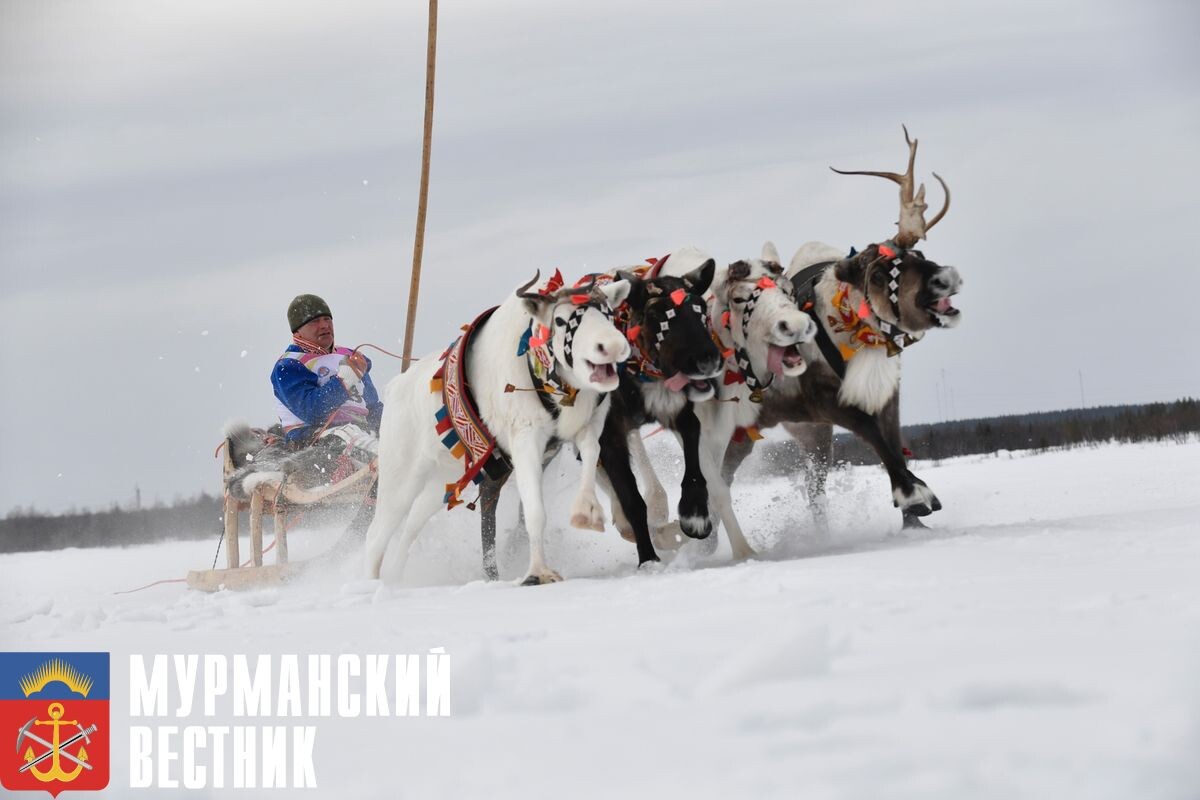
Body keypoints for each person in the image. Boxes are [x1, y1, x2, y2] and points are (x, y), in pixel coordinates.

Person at [272, 293, 383, 454]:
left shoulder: (350, 357)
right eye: (314, 321)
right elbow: (313, 411)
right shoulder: (289, 365)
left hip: (362, 431)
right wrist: (344, 381)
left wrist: (394, 421)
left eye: (327, 319)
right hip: (311, 440)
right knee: (350, 436)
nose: (324, 325)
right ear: (297, 333)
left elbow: (372, 406)